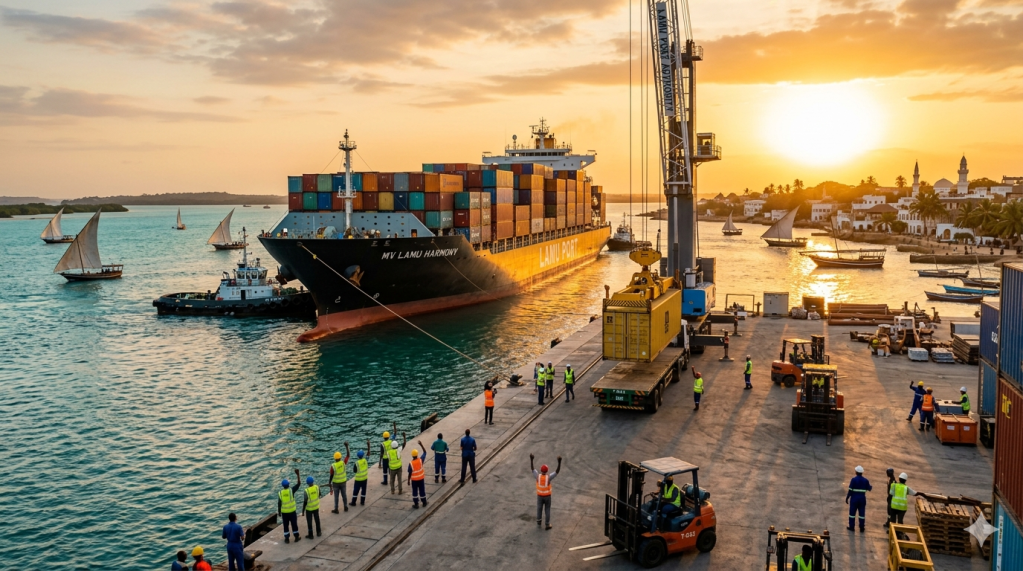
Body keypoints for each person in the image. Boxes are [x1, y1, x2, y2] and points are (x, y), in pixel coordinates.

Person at [530, 453, 562, 530]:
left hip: (540, 496)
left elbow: (532, 469)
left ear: (541, 470)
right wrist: (559, 462)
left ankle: (539, 520)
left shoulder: (538, 476)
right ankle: (547, 524)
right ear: (547, 470)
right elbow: (556, 472)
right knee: (547, 509)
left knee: (539, 508)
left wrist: (531, 460)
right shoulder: (548, 477)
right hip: (547, 496)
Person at [845, 466, 872, 532]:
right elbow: (870, 488)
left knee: (852, 514)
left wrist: (847, 497)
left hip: (854, 499)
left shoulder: (853, 480)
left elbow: (850, 490)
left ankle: (852, 527)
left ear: (856, 472)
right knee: (862, 514)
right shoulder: (866, 480)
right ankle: (862, 527)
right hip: (862, 499)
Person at [278, 472, 301, 543]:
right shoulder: (291, 490)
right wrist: (298, 475)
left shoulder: (280, 493)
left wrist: (279, 512)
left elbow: (279, 503)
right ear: (288, 484)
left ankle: (287, 538)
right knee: (294, 524)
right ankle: (296, 537)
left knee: (285, 525)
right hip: (292, 511)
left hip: (284, 512)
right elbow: (299, 484)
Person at [330, 442, 351, 513]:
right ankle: (345, 506)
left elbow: (331, 475)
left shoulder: (333, 465)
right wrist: (347, 446)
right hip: (343, 482)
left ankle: (336, 509)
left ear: (335, 458)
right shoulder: (343, 463)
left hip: (335, 483)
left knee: (336, 497)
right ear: (340, 457)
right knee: (344, 495)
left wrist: (329, 482)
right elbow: (348, 455)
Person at [407, 441, 429, 508]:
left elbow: (409, 472)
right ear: (417, 455)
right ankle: (424, 502)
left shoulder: (411, 463)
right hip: (421, 479)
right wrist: (421, 444)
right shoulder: (420, 460)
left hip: (414, 480)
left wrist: (408, 480)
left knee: (415, 492)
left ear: (412, 455)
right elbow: (425, 452)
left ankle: (416, 504)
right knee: (422, 490)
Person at [350, 442, 371, 507]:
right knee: (363, 490)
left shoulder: (356, 463)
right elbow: (368, 454)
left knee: (356, 490)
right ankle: (362, 502)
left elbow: (354, 471)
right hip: (364, 478)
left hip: (358, 479)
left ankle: (353, 502)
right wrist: (368, 446)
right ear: (363, 455)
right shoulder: (365, 460)